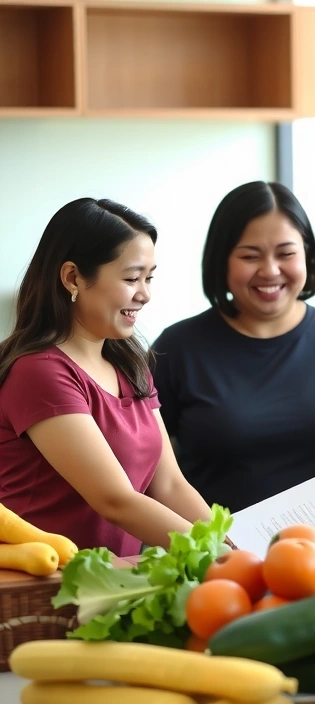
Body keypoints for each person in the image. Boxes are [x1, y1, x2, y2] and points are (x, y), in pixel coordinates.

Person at [151, 181, 315, 512]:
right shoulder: (177, 349)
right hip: (219, 556)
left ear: (307, 254)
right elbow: (146, 469)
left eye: (286, 253)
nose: (270, 271)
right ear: (222, 261)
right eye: (250, 256)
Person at [0, 198, 216, 556]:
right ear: (72, 278)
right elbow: (114, 500)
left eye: (149, 278)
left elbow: (170, 485)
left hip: (113, 585)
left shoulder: (130, 364)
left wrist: (236, 547)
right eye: (132, 278)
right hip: (44, 592)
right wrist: (218, 554)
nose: (145, 294)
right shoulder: (40, 372)